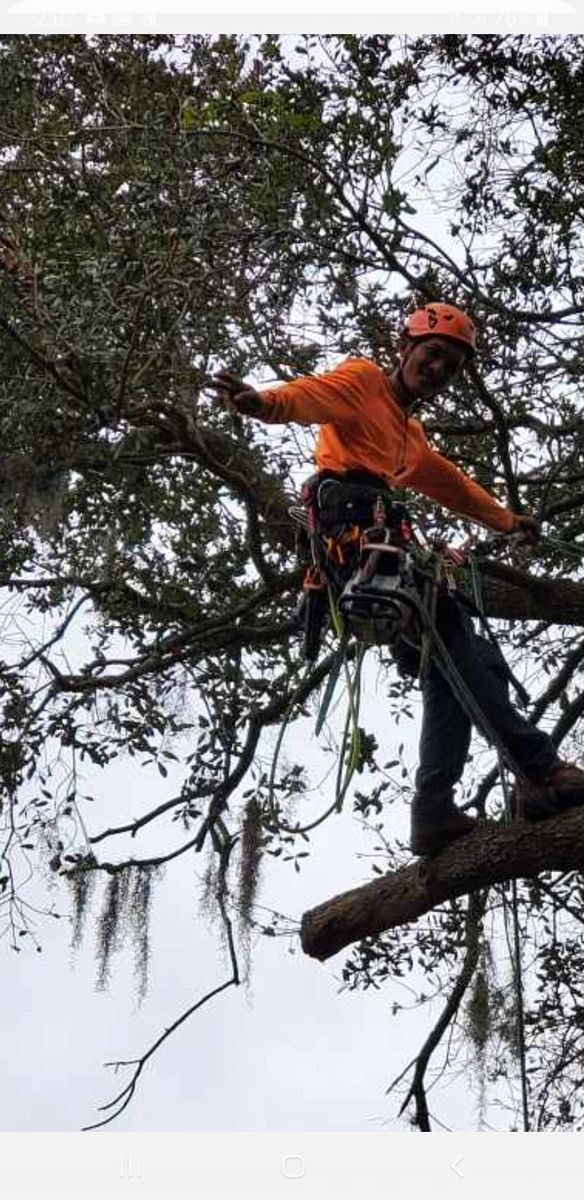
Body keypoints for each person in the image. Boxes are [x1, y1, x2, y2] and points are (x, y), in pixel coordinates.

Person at [212, 302, 584, 854]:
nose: (438, 371)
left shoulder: (409, 434)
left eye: (451, 367)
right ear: (403, 347)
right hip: (358, 532)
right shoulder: (364, 383)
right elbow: (312, 393)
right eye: (433, 355)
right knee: (456, 640)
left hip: (379, 544)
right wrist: (265, 403)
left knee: (463, 660)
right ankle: (540, 769)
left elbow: (449, 483)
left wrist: (507, 520)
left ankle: (436, 809)